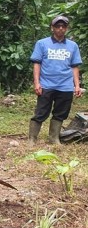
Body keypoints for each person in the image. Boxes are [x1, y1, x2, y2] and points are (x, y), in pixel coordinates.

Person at [28, 15, 83, 144]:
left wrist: (77, 85)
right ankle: (32, 139)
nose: (60, 28)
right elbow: (37, 64)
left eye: (63, 26)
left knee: (60, 113)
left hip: (65, 86)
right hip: (46, 84)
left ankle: (54, 138)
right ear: (52, 28)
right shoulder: (42, 43)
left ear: (66, 28)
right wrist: (37, 83)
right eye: (57, 26)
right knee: (41, 112)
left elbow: (74, 66)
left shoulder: (73, 46)